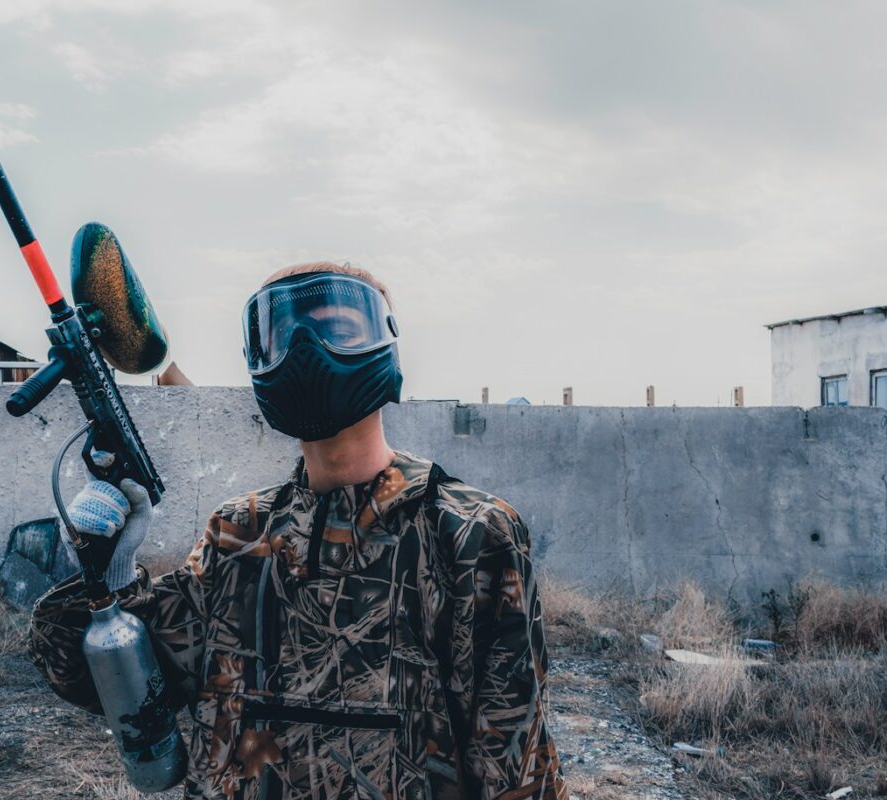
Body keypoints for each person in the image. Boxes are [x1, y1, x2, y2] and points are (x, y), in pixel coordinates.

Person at [29, 262, 567, 800]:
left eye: (337, 327)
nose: (306, 350)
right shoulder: (236, 535)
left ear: (385, 344)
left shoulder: (470, 533)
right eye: (279, 337)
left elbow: (514, 761)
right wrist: (106, 575)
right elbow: (119, 688)